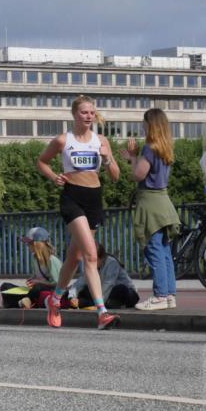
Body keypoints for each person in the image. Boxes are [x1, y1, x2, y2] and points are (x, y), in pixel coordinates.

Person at [36, 95, 121, 330]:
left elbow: (115, 176)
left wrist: (106, 159)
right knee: (91, 256)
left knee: (74, 257)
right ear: (74, 114)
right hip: (72, 197)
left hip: (94, 198)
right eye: (84, 112)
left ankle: (54, 300)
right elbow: (41, 162)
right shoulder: (64, 140)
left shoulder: (101, 140)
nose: (88, 117)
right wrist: (54, 176)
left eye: (92, 113)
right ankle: (102, 312)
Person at [121, 108, 180, 311]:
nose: (142, 126)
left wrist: (132, 157)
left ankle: (160, 295)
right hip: (164, 202)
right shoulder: (165, 148)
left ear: (150, 125)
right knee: (164, 251)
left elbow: (138, 175)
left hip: (150, 204)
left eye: (144, 122)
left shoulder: (149, 148)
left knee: (154, 250)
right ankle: (170, 294)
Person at [69, 243, 139, 310]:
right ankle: (105, 303)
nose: (88, 262)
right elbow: (80, 282)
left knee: (121, 289)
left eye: (91, 260)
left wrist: (98, 304)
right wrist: (72, 297)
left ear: (101, 258)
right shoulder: (91, 265)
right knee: (85, 289)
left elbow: (108, 285)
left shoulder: (112, 263)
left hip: (123, 292)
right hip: (103, 294)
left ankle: (99, 303)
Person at [14, 227, 65, 310]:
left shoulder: (52, 260)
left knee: (37, 287)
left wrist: (38, 282)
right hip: (37, 289)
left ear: (36, 244)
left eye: (29, 243)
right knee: (5, 286)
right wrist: (32, 279)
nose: (27, 246)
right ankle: (25, 301)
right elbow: (36, 276)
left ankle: (27, 301)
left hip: (50, 289)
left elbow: (57, 283)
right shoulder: (35, 258)